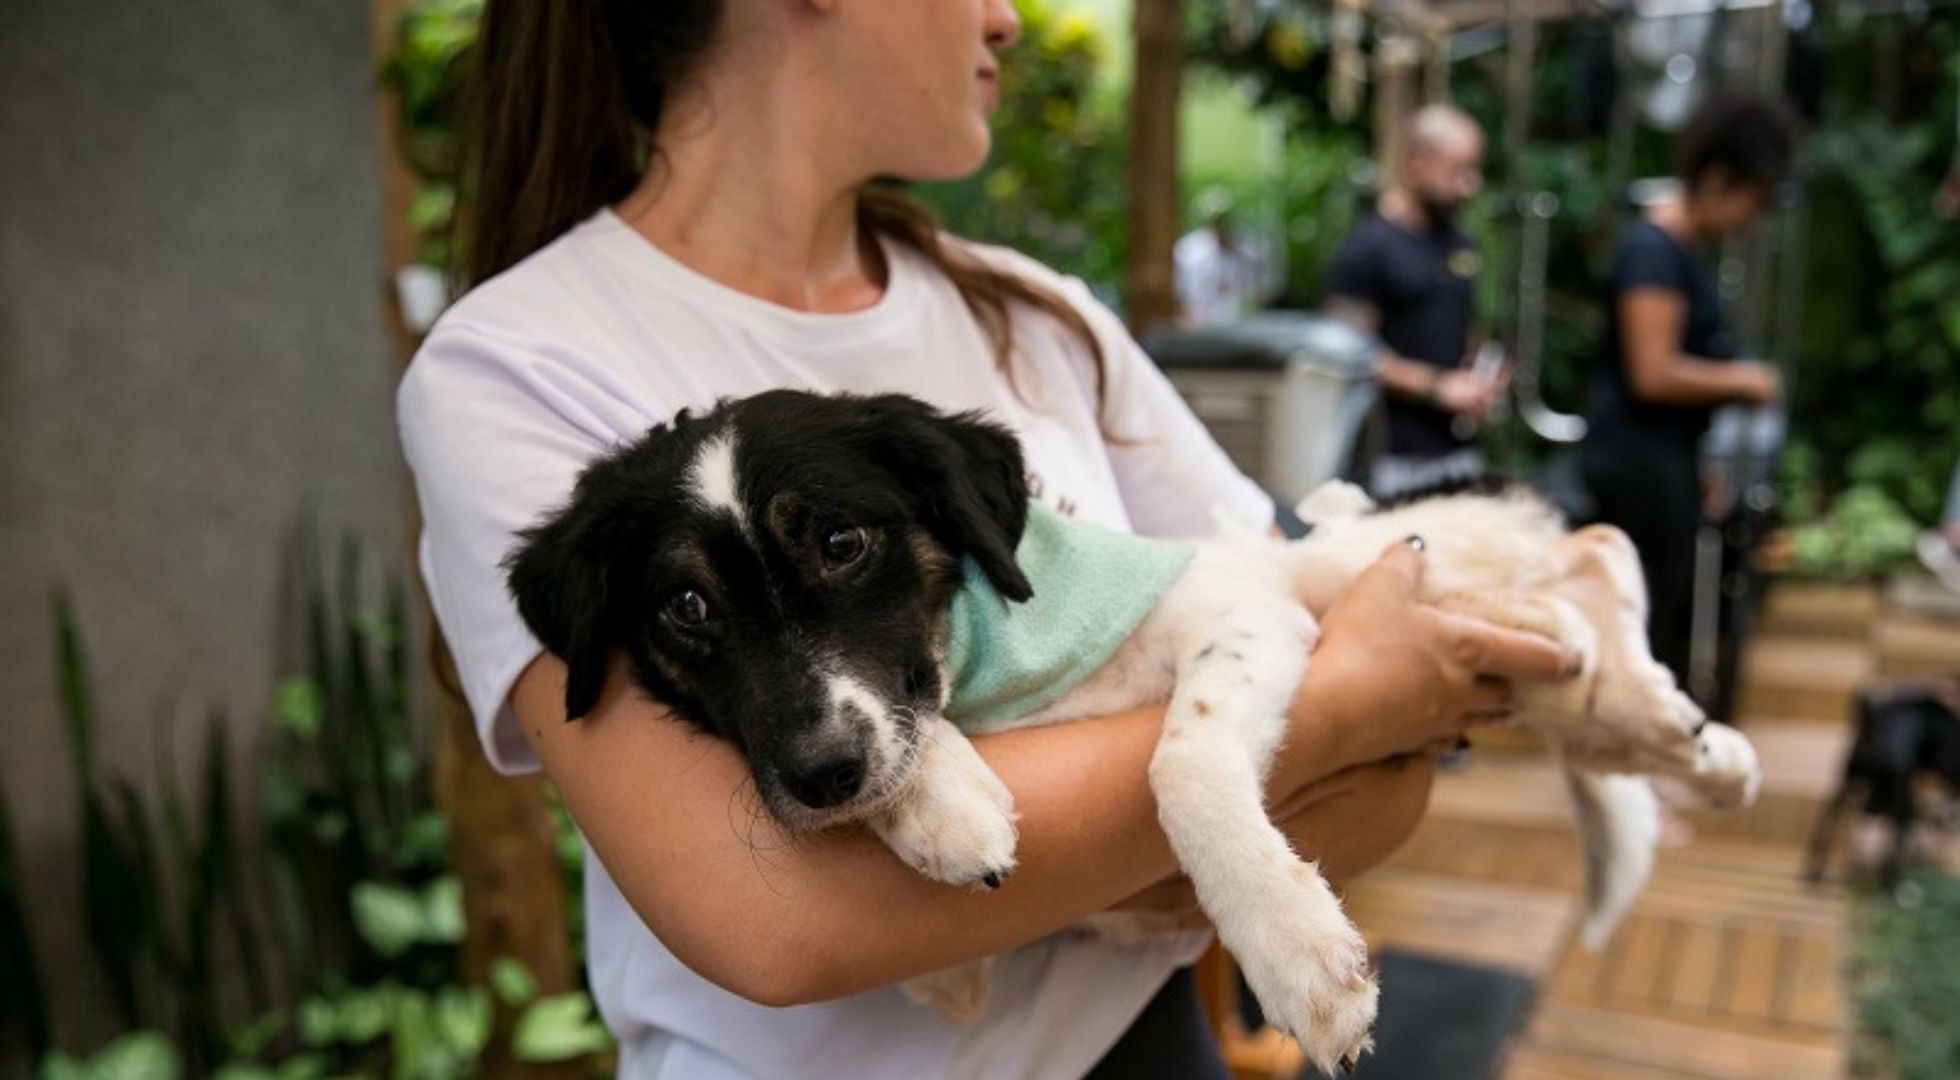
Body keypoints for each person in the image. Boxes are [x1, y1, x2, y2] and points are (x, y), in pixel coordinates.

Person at [395, 2, 1578, 1077]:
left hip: (1151, 1046)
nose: (1009, 20)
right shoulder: (521, 365)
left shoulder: (1032, 315)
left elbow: (1387, 771)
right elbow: (780, 918)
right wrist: (1336, 717)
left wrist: (1297, 761)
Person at [1578, 92, 1797, 691]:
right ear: (1718, 178)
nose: (1751, 219)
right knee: (1636, 633)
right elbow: (1653, 370)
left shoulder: (1681, 253)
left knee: (1654, 622)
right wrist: (1744, 380)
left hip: (1664, 461)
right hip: (1634, 466)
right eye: (1751, 200)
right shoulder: (1653, 251)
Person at [1323, 105, 1507, 499]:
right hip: (1392, 456)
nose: (1469, 184)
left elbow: (1461, 323)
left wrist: (1479, 376)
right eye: (1457, 170)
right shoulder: (1368, 247)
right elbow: (1347, 353)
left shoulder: (1460, 242)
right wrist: (1434, 387)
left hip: (1457, 449)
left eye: (1473, 170)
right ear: (1417, 163)